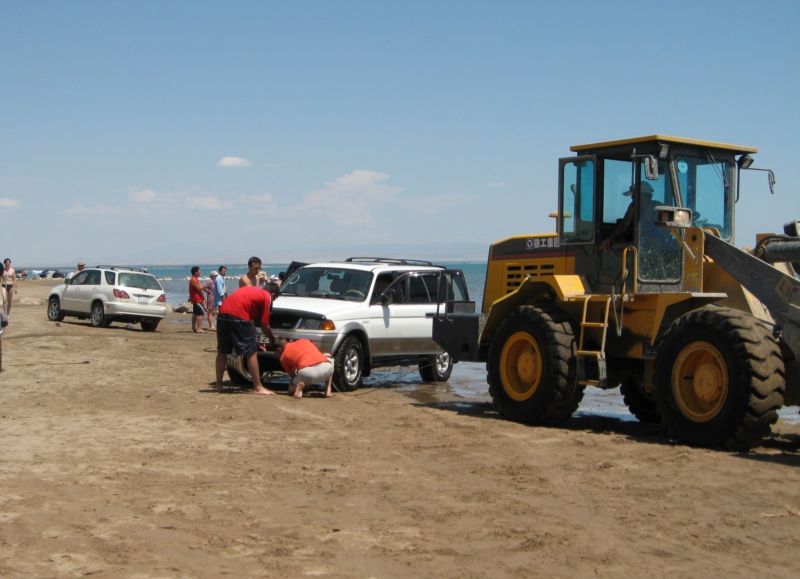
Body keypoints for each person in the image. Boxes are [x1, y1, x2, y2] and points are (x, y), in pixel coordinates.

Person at [214, 285, 279, 395]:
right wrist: (272, 339)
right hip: (238, 317)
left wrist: (256, 339)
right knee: (251, 352)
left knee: (222, 351)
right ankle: (258, 387)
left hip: (222, 315)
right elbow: (264, 324)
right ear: (273, 294)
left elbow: (251, 321)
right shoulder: (267, 296)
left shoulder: (252, 290)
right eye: (274, 299)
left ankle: (219, 385)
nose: (273, 301)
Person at [600, 182, 654, 251]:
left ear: (646, 196)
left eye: (634, 194)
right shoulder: (634, 206)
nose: (631, 197)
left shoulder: (656, 209)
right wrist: (609, 239)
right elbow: (624, 225)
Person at [188, 266, 206, 333]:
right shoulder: (193, 279)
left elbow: (199, 288)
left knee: (195, 313)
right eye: (199, 271)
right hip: (196, 299)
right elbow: (199, 288)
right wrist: (205, 285)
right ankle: (199, 328)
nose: (200, 272)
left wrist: (203, 290)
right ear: (196, 272)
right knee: (200, 313)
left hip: (196, 298)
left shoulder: (195, 279)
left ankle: (194, 328)